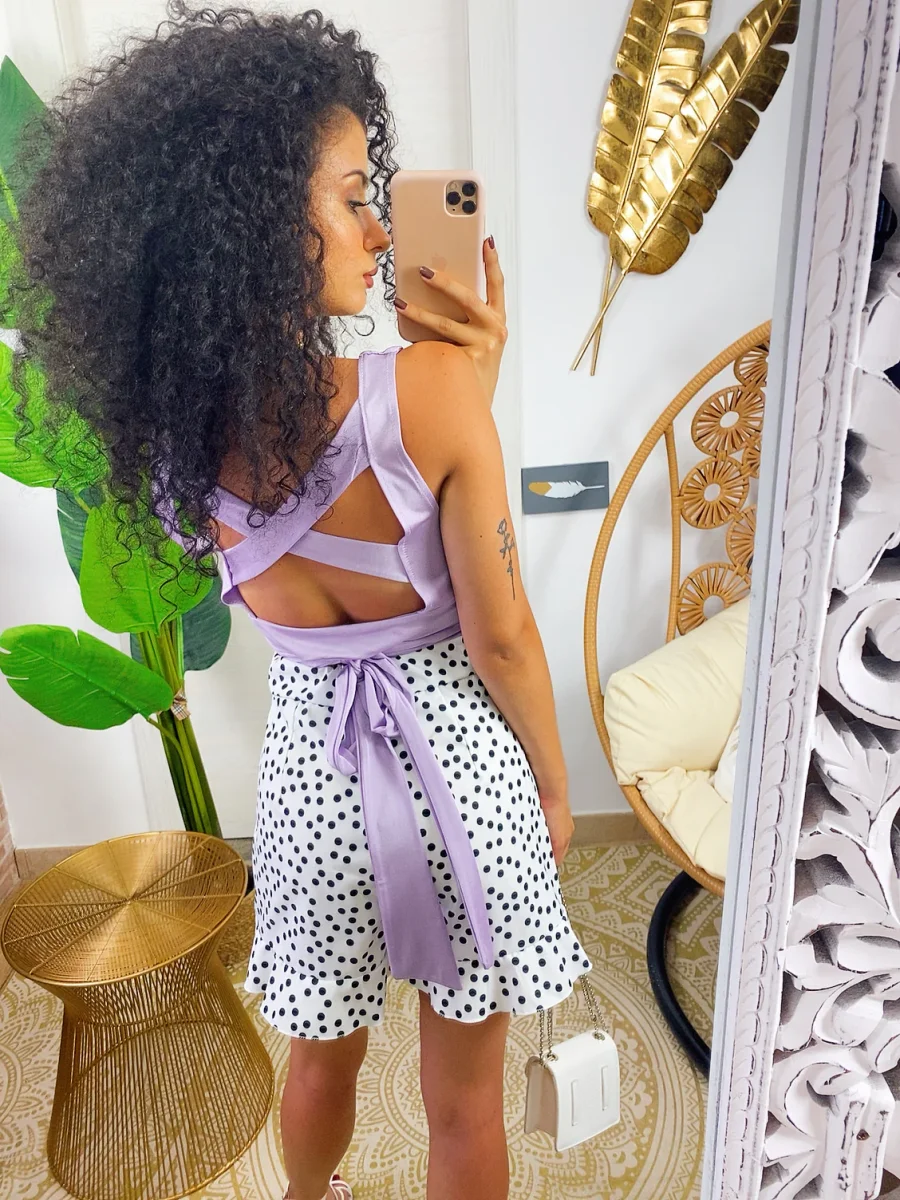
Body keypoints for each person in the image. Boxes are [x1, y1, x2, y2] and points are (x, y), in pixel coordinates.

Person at [15, 6, 592, 1199]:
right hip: (464, 776)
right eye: (351, 197)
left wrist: (456, 382)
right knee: (463, 1103)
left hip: (309, 784)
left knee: (322, 1058)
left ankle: (305, 1195)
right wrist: (549, 780)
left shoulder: (166, 441)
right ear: (259, 223)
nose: (380, 231)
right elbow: (502, 637)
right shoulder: (431, 390)